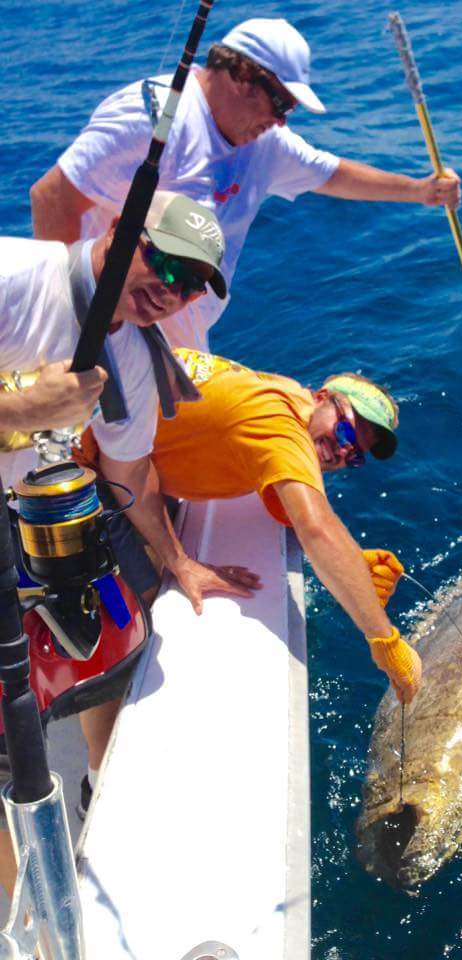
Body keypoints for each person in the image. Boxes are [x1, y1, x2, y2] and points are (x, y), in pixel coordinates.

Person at [0, 192, 262, 898]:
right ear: (118, 228)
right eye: (164, 261)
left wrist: (180, 562)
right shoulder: (13, 277)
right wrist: (21, 410)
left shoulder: (133, 359)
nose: (171, 290)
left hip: (15, 529)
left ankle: (96, 793)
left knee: (111, 641)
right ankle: (25, 916)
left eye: (193, 284)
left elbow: (131, 472)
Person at [30, 17, 462, 351]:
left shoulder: (265, 142)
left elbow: (330, 173)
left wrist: (420, 191)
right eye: (281, 103)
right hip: (110, 336)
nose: (281, 120)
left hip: (181, 346)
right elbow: (51, 198)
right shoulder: (151, 117)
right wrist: (72, 327)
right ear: (240, 75)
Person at [79, 347, 422, 708]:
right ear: (322, 397)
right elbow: (317, 528)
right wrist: (386, 643)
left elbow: (289, 500)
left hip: (125, 450)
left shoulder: (287, 394)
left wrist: (353, 566)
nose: (343, 450)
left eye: (355, 456)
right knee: (138, 618)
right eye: (345, 430)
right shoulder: (281, 428)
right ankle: (101, 707)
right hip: (83, 468)